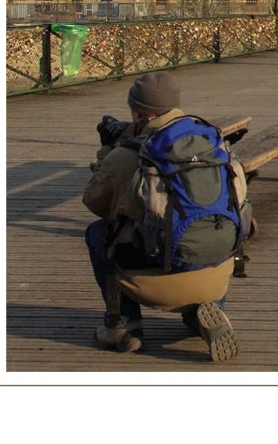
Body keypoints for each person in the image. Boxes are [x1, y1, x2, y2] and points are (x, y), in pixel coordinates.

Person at [83, 72, 241, 361]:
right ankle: (204, 313)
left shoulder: (131, 155)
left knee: (98, 233)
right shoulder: (211, 143)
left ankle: (125, 326)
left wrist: (108, 154)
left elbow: (95, 203)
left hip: (159, 278)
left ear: (138, 111)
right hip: (216, 273)